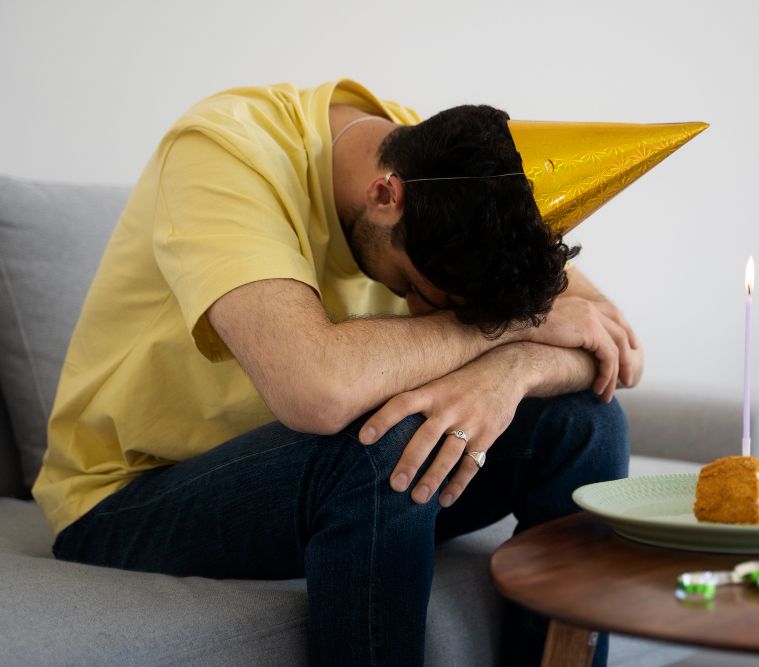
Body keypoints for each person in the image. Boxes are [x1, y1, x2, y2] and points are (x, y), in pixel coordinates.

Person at [33, 79, 643, 666]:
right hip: (129, 501)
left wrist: (506, 372)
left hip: (324, 490)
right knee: (382, 446)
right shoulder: (225, 150)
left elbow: (611, 341)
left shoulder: (467, 179)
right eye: (414, 288)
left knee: (588, 422)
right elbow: (317, 394)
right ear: (385, 196)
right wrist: (508, 327)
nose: (423, 311)